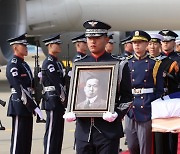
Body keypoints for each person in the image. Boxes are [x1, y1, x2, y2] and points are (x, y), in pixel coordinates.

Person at [63, 19, 133, 154]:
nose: (92, 42)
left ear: (106, 39)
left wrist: (117, 114)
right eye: (89, 38)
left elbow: (127, 97)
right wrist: (70, 108)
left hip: (108, 132)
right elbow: (72, 92)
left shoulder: (119, 64)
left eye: (97, 38)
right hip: (83, 131)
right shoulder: (79, 64)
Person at [125, 30, 165, 154]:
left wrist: (152, 106)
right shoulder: (126, 63)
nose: (137, 45)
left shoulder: (155, 64)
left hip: (145, 106)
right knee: (131, 145)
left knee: (145, 147)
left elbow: (159, 89)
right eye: (134, 42)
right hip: (130, 107)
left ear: (146, 44)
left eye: (140, 42)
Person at [6, 33, 43, 154]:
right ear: (15, 47)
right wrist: (33, 106)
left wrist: (39, 80)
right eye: (23, 45)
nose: (26, 48)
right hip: (19, 104)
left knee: (26, 141)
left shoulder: (24, 64)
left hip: (27, 106)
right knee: (18, 141)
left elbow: (31, 85)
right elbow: (18, 87)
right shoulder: (13, 64)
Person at [148, 33, 179, 154]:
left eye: (155, 44)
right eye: (150, 44)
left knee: (168, 136)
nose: (152, 47)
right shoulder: (146, 61)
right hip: (148, 101)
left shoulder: (171, 62)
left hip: (167, 101)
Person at [41, 34, 66, 154]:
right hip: (52, 100)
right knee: (51, 131)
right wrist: (64, 98)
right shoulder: (49, 63)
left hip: (58, 102)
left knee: (58, 132)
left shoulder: (58, 63)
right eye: (57, 44)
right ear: (50, 46)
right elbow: (57, 83)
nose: (59, 46)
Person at [159, 29, 180, 154]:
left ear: (173, 43)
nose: (165, 44)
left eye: (168, 41)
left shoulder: (178, 59)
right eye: (163, 41)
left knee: (172, 131)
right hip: (158, 98)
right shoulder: (156, 59)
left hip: (173, 97)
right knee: (159, 131)